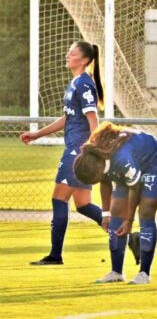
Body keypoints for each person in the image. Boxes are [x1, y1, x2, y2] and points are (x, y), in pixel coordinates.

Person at [20, 41, 104, 265]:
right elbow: (68, 117)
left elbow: (93, 119)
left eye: (73, 52)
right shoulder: (76, 82)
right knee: (84, 205)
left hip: (78, 152)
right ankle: (125, 234)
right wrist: (37, 134)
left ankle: (55, 256)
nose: (68, 55)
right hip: (79, 150)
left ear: (84, 60)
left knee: (59, 198)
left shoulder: (84, 84)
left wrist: (91, 151)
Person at [73, 122, 157, 284]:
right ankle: (116, 272)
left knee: (146, 212)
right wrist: (105, 213)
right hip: (130, 164)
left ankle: (144, 274)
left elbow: (135, 187)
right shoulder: (96, 157)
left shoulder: (121, 159)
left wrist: (129, 221)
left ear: (99, 170)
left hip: (154, 162)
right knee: (116, 212)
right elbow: (104, 182)